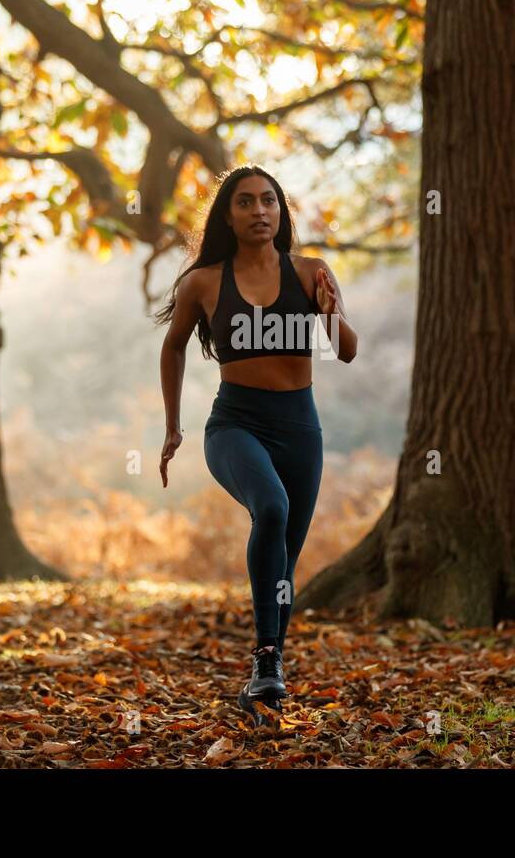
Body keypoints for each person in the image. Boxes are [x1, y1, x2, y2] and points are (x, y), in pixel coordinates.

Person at [154, 164, 358, 718]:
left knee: (285, 559)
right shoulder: (205, 282)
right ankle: (266, 660)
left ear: (281, 211)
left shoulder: (311, 271)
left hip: (300, 429)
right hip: (234, 426)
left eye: (269, 201)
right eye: (245, 202)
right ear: (228, 215)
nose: (259, 211)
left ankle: (268, 677)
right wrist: (174, 425)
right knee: (270, 507)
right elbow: (172, 347)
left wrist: (330, 314)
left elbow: (345, 350)